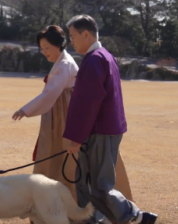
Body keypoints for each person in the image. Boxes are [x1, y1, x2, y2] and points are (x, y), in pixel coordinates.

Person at [12, 25, 135, 214]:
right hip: (60, 113)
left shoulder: (70, 63)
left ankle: (125, 214)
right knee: (81, 166)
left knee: (77, 165)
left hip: (65, 114)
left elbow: (51, 93)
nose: (44, 52)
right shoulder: (72, 61)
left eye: (47, 48)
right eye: (42, 48)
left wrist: (25, 109)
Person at [63, 15, 157, 224]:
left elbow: (89, 103)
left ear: (85, 34)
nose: (71, 41)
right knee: (87, 182)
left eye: (72, 36)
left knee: (99, 184)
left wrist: (76, 138)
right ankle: (92, 220)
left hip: (100, 131)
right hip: (105, 129)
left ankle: (136, 217)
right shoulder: (104, 56)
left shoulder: (95, 59)